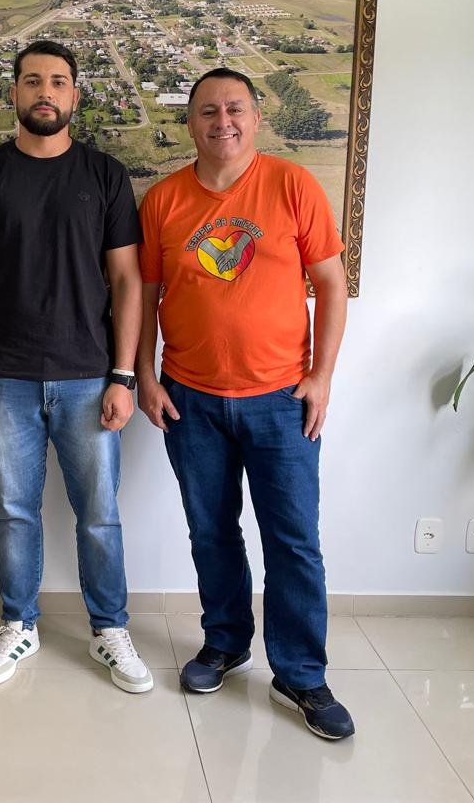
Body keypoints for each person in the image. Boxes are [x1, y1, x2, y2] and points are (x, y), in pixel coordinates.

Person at [135, 67, 354, 739]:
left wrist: (322, 377)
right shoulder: (164, 200)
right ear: (189, 123)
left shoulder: (292, 185)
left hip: (282, 400)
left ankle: (301, 674)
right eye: (207, 111)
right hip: (190, 399)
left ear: (256, 118)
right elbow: (144, 295)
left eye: (234, 109)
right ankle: (225, 643)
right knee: (211, 531)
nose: (221, 121)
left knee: (293, 539)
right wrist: (143, 374)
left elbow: (331, 284)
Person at [0, 40, 152, 693]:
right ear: (14, 93)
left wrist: (123, 376)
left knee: (101, 513)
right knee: (15, 511)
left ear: (74, 97)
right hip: (2, 377)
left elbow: (128, 281)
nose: (45, 92)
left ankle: (109, 628)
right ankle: (19, 623)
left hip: (89, 376)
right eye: (32, 81)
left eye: (58, 81)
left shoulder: (105, 175)